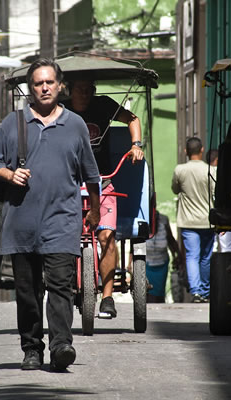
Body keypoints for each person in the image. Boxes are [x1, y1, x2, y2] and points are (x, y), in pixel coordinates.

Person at [0, 58, 101, 371]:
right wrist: (10, 176)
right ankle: (32, 349)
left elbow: (91, 174)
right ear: (31, 88)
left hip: (62, 221)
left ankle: (62, 344)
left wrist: (93, 208)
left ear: (60, 85)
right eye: (38, 83)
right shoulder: (13, 123)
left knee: (61, 285)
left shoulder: (75, 124)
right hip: (22, 222)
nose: (45, 87)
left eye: (50, 82)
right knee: (28, 291)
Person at [62, 79, 144, 318]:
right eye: (80, 88)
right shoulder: (60, 108)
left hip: (103, 181)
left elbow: (133, 119)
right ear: (70, 89)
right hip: (67, 184)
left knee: (107, 237)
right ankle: (63, 286)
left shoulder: (104, 105)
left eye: (89, 90)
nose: (85, 93)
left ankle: (107, 298)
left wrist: (136, 145)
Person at [172, 137, 214, 302]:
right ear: (202, 150)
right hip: (207, 220)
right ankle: (204, 291)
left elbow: (175, 190)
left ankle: (195, 291)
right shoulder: (211, 170)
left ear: (186, 152)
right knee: (206, 257)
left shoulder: (180, 170)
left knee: (192, 256)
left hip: (188, 221)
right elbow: (214, 193)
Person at [145, 208, 179, 303]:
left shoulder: (164, 220)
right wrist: (130, 264)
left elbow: (170, 240)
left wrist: (177, 256)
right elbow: (134, 245)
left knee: (159, 294)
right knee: (146, 294)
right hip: (146, 264)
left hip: (161, 264)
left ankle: (158, 310)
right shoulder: (143, 222)